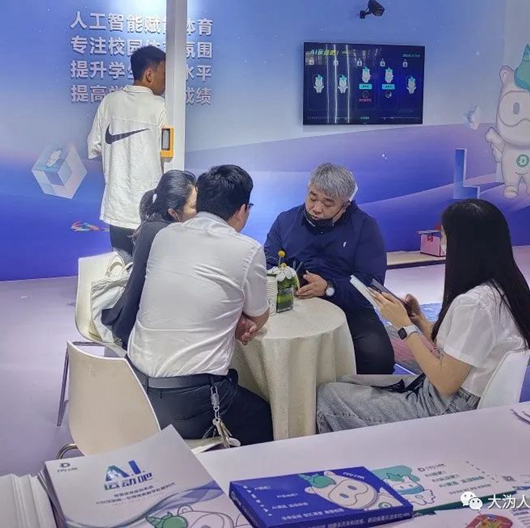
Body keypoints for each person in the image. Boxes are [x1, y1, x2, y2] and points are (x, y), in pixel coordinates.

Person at [316, 199, 530, 433]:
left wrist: (405, 328)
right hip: (456, 397)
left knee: (327, 396)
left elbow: (445, 383)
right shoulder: (507, 289)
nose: (443, 244)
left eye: (444, 237)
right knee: (347, 382)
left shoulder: (475, 303)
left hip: (449, 407)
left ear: (463, 245)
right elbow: (460, 349)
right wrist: (419, 321)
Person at [128, 165, 273, 445]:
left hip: (133, 387)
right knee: (266, 418)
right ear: (242, 210)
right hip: (189, 402)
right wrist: (237, 319)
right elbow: (259, 317)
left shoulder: (165, 235)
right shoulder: (247, 249)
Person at [264, 163, 394, 374]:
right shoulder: (286, 221)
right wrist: (288, 280)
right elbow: (269, 262)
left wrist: (329, 287)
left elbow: (371, 284)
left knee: (378, 358)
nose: (316, 208)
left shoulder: (365, 228)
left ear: (345, 205)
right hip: (292, 301)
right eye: (312, 197)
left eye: (328, 203)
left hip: (349, 307)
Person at [101, 170, 197, 348]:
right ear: (173, 212)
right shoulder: (167, 235)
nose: (199, 213)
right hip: (144, 331)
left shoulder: (153, 225)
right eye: (194, 207)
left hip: (134, 319)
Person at [87, 46, 167, 260]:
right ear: (149, 74)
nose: (166, 81)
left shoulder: (109, 102)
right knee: (149, 270)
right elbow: (169, 155)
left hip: (117, 205)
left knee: (122, 269)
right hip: (150, 209)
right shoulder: (162, 107)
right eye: (164, 74)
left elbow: (94, 145)